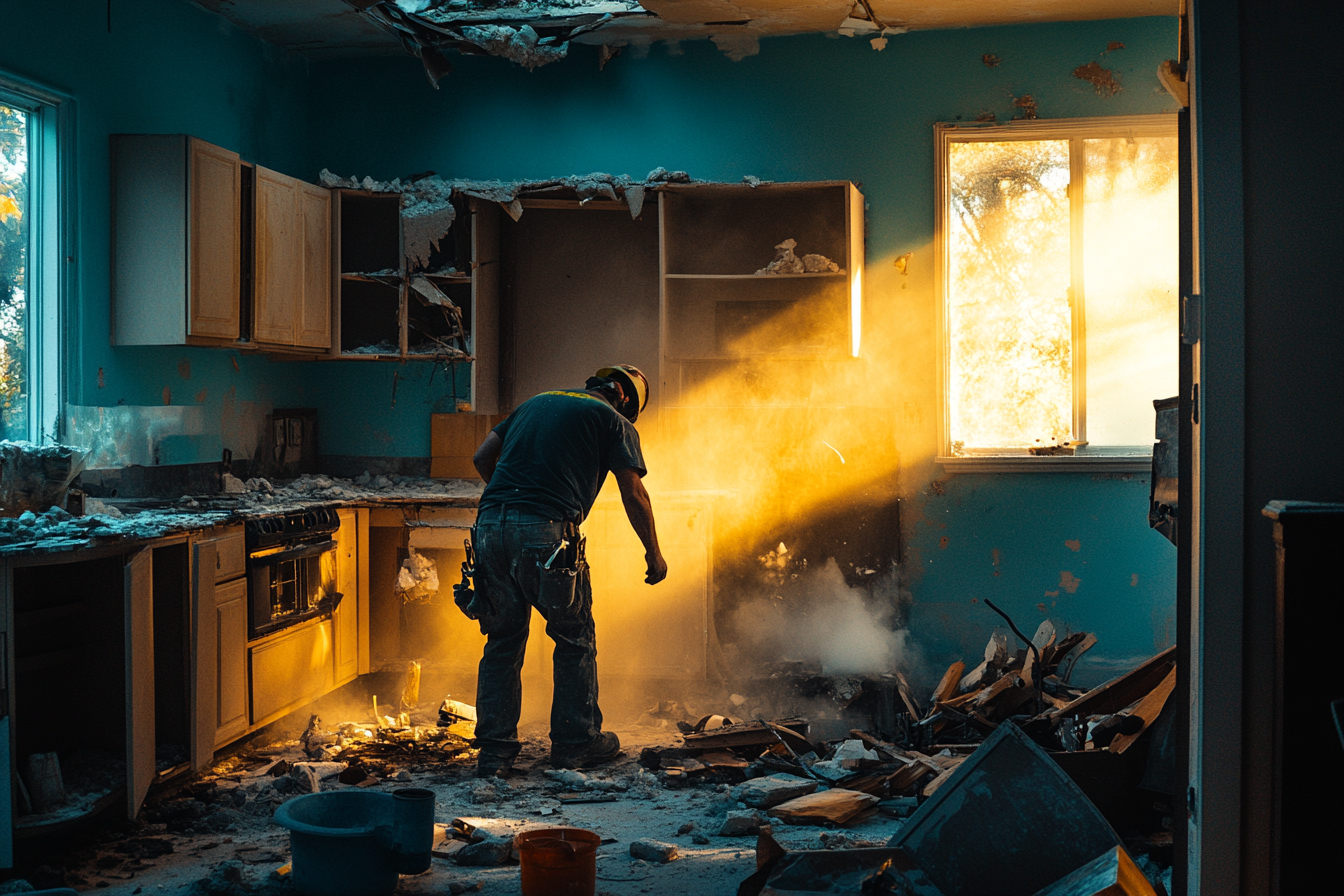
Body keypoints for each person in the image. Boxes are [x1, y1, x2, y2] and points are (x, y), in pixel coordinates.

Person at [468, 363, 668, 777]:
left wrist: (511, 504)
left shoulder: (536, 402)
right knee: (574, 636)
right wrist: (653, 552)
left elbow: (482, 456)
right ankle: (576, 745)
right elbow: (633, 492)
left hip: (489, 526)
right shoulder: (613, 421)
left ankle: (494, 754)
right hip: (546, 530)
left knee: (502, 640)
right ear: (626, 400)